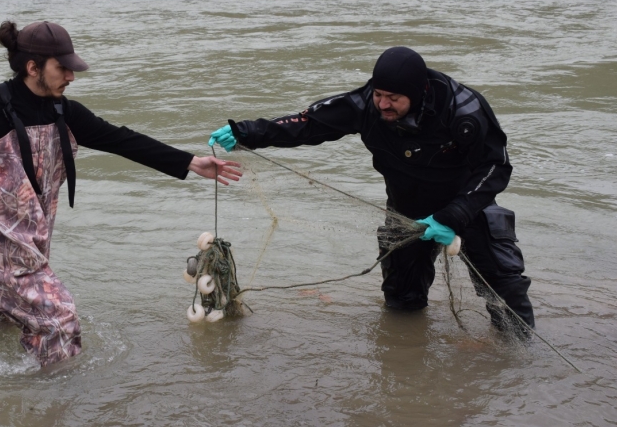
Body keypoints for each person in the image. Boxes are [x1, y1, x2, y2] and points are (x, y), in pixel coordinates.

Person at [0, 20, 242, 367]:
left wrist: (190, 162)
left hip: (32, 233)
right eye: (63, 69)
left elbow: (119, 139)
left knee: (7, 320)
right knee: (60, 318)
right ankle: (51, 400)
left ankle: (0, 393)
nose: (71, 76)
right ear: (32, 67)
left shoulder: (61, 110)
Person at [208, 46, 534, 337]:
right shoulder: (366, 105)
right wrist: (245, 133)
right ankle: (407, 356)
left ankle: (518, 365)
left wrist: (455, 215)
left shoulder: (463, 111)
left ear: (418, 93)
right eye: (379, 94)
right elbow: (307, 123)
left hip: (467, 207)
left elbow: (495, 167)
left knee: (505, 294)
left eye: (393, 98)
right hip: (406, 213)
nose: (383, 104)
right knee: (401, 301)